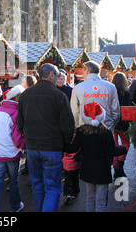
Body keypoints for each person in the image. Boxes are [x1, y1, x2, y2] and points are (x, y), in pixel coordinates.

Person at [17, 63, 75, 212]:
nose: (58, 79)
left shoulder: (25, 94)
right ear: (50, 75)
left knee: (37, 185)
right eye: (56, 75)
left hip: (32, 148)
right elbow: (68, 125)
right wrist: (66, 142)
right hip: (52, 148)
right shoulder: (59, 96)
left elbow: (20, 122)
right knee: (52, 187)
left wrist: (28, 137)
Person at [65, 102, 127, 212]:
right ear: (101, 115)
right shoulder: (106, 133)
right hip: (102, 169)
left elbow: (73, 148)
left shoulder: (81, 131)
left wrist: (60, 144)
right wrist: (123, 148)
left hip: (87, 169)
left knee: (90, 197)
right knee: (101, 200)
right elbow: (112, 151)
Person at [0, 85, 25, 212]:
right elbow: (17, 138)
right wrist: (24, 147)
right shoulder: (16, 112)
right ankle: (15, 206)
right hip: (12, 153)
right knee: (13, 180)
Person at [70, 61, 120, 131]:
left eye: (83, 71)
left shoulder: (77, 88)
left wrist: (79, 125)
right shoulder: (110, 86)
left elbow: (75, 111)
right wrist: (110, 125)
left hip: (85, 129)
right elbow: (115, 111)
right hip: (106, 128)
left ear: (86, 71)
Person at [57, 68, 79, 205]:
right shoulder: (53, 91)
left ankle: (70, 183)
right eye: (59, 78)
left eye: (63, 78)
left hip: (68, 123)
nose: (61, 80)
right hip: (56, 125)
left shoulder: (70, 91)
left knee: (69, 151)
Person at [110, 72, 132, 179]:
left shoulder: (110, 92)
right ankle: (120, 164)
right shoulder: (127, 93)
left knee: (113, 145)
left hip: (113, 122)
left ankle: (115, 168)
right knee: (126, 143)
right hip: (124, 122)